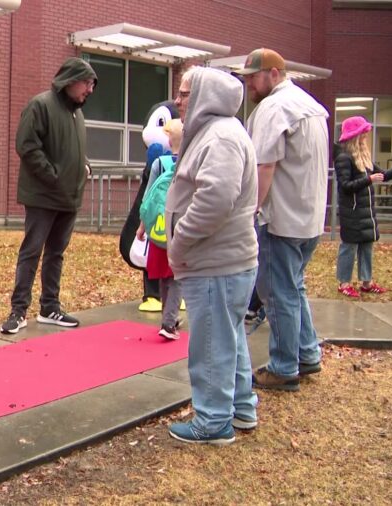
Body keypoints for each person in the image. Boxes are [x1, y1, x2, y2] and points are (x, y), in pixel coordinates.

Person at [165, 67, 259, 444]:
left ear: (204, 95)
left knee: (210, 343)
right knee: (228, 337)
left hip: (215, 262)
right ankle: (240, 408)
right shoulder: (217, 133)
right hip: (222, 261)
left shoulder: (220, 137)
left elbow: (216, 199)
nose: (178, 100)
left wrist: (180, 241)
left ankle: (213, 420)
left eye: (185, 93)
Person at [237, 48, 331, 392]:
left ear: (274, 73)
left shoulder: (274, 108)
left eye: (253, 76)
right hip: (309, 218)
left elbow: (264, 165)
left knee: (278, 293)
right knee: (295, 287)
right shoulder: (310, 106)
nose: (248, 83)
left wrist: (250, 211)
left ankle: (283, 366)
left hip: (282, 219)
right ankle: (307, 353)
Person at [0, 57, 98, 334]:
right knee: (31, 252)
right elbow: (27, 146)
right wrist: (53, 175)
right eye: (87, 83)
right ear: (70, 80)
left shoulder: (77, 114)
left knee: (57, 253)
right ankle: (18, 312)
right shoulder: (40, 105)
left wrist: (84, 165)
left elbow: (71, 149)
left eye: (92, 85)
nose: (90, 90)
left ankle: (49, 307)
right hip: (43, 196)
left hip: (70, 197)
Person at [334, 116, 392, 298]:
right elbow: (345, 185)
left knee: (367, 245)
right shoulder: (344, 158)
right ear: (356, 136)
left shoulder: (365, 158)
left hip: (366, 212)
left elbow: (383, 175)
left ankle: (366, 281)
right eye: (363, 134)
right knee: (349, 246)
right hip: (352, 211)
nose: (366, 138)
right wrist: (368, 180)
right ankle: (344, 282)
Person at [137, 118, 184, 339]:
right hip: (181, 227)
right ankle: (169, 322)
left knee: (165, 275)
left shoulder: (159, 163)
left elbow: (148, 197)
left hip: (158, 227)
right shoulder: (188, 162)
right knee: (175, 275)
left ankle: (169, 317)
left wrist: (141, 226)